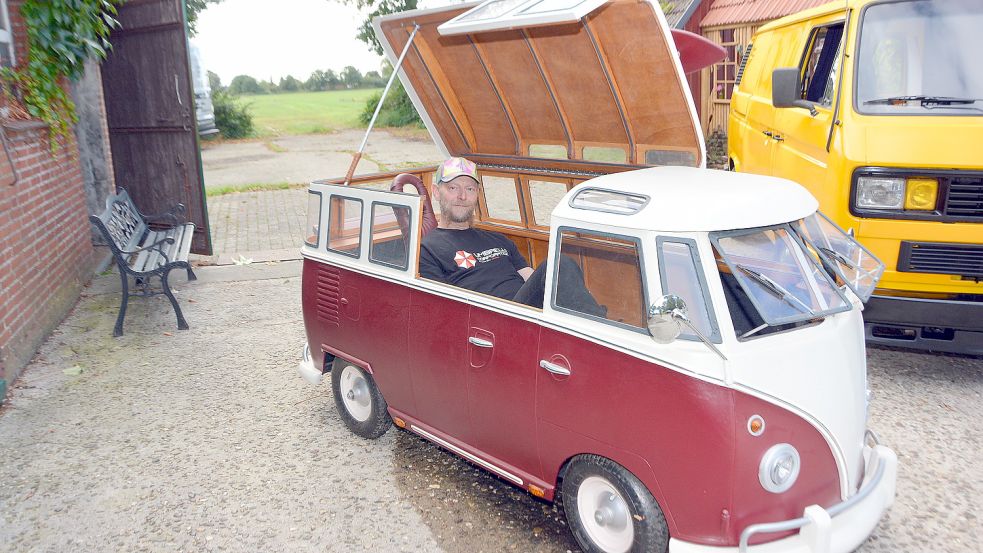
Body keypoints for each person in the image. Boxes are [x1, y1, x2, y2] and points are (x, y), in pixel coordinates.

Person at [419, 157, 605, 316]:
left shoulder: (498, 240)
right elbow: (443, 310)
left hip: (526, 309)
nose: (462, 196)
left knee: (558, 271)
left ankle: (594, 325)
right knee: (559, 264)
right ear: (436, 192)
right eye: (453, 188)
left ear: (477, 195)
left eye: (470, 189)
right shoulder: (427, 249)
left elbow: (532, 278)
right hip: (494, 319)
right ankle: (599, 330)